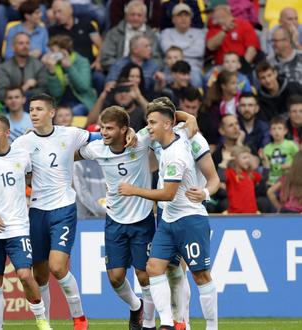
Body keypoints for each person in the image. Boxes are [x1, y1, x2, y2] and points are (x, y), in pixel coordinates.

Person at [0, 94, 92, 329]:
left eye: (38, 109)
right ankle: (44, 322)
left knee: (57, 267)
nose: (34, 113)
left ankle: (78, 317)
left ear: (51, 112)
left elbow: (99, 139)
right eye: (31, 109)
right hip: (36, 210)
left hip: (63, 207)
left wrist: (129, 133)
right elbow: (5, 158)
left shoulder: (69, 133)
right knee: (40, 274)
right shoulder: (21, 145)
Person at [118, 97, 217, 330]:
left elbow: (213, 179)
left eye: (152, 122)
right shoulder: (159, 136)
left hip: (188, 213)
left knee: (196, 273)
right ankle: (171, 323)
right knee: (160, 269)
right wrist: (132, 131)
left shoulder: (191, 141)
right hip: (166, 215)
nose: (148, 127)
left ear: (169, 122)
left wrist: (205, 192)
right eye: (147, 122)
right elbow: (138, 135)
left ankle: (199, 324)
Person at [0, 113, 52, 330]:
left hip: (18, 227)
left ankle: (41, 320)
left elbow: (35, 171)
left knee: (25, 275)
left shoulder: (22, 155)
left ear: (7, 132)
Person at [76, 106, 156, 330]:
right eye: (102, 127)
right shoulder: (97, 148)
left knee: (144, 275)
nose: (104, 132)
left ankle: (148, 324)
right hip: (115, 219)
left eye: (110, 128)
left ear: (124, 129)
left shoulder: (140, 141)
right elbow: (72, 154)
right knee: (115, 277)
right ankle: (135, 306)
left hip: (142, 218)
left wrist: (187, 119)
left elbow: (167, 119)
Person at [43, 34, 97, 116]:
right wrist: (52, 72)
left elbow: (83, 87)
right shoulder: (52, 65)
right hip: (60, 103)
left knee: (72, 113)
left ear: (64, 51)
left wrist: (69, 67)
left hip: (81, 101)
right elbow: (56, 93)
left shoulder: (82, 62)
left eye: (53, 51)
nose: (50, 54)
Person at [101, 0, 161, 72]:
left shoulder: (151, 35)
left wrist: (142, 70)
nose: (135, 18)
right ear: (126, 16)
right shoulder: (114, 33)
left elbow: (157, 60)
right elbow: (106, 58)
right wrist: (124, 69)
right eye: (132, 14)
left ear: (145, 18)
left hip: (144, 72)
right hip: (118, 71)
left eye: (139, 15)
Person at [0, 32, 48, 103]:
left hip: (35, 104)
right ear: (13, 47)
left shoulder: (38, 65)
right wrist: (24, 87)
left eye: (27, 43)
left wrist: (24, 95)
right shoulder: (4, 68)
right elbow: (1, 95)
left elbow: (44, 90)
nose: (25, 46)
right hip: (11, 107)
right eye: (21, 43)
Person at [159, 3, 206, 69]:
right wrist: (189, 46)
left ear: (191, 19)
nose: (183, 18)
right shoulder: (166, 33)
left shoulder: (199, 33)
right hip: (171, 67)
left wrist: (176, 51)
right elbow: (167, 50)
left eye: (186, 15)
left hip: (193, 68)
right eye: (179, 15)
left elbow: (199, 52)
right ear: (173, 19)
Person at [262, 117, 299, 185]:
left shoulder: (291, 145)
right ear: (270, 132)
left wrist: (290, 165)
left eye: (279, 128)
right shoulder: (266, 148)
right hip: (272, 181)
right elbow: (266, 167)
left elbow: (299, 160)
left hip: (288, 179)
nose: (276, 131)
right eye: (274, 129)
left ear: (285, 131)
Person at [225, 145, 261, 214]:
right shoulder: (230, 173)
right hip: (235, 213)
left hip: (252, 213)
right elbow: (221, 178)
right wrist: (224, 162)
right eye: (244, 158)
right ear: (235, 159)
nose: (248, 160)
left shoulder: (251, 174)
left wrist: (265, 163)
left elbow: (263, 179)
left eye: (249, 157)